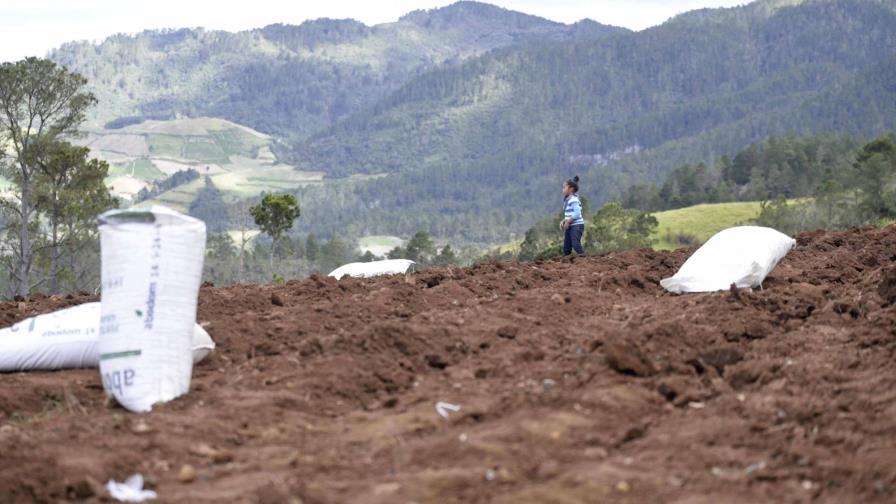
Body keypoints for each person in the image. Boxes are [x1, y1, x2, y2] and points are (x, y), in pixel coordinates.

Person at [560, 175, 585, 256]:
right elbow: (569, 214)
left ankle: (583, 258)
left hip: (576, 226)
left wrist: (568, 222)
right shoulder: (568, 200)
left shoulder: (573, 199)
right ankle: (567, 262)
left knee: (575, 244)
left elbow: (577, 213)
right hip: (570, 225)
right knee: (566, 247)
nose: (562, 189)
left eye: (564, 187)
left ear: (570, 189)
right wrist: (564, 221)